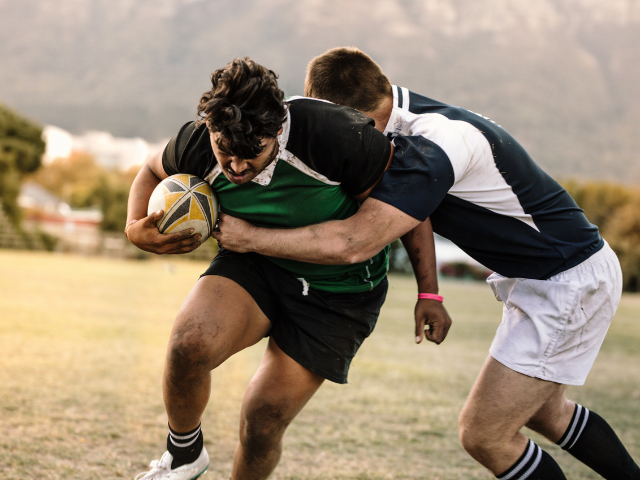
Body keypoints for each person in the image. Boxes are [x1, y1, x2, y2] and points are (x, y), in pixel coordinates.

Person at [212, 47, 640, 479]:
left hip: (566, 280)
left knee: (485, 434)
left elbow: (354, 243)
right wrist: (430, 291)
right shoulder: (402, 126)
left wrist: (249, 238)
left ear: (343, 114)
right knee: (547, 414)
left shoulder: (436, 140)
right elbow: (421, 207)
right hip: (551, 276)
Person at [125, 56, 450, 480]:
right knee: (188, 345)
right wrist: (135, 229)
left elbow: (410, 204)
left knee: (262, 418)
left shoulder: (335, 135)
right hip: (255, 265)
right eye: (226, 152)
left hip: (340, 291)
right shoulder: (200, 141)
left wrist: (429, 292)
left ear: (278, 128)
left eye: (251, 154)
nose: (237, 167)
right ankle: (184, 455)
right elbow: (151, 170)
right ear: (210, 128)